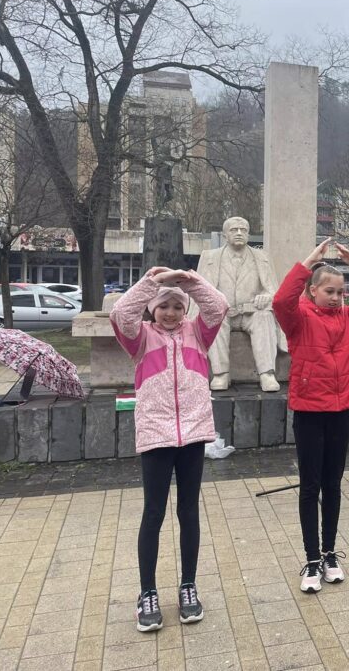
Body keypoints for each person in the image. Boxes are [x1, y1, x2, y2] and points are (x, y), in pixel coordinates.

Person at [110, 266, 228, 632]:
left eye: (178, 306)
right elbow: (121, 313)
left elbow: (218, 307)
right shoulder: (140, 338)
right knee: (153, 513)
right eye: (164, 306)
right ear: (152, 308)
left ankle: (188, 586)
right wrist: (151, 283)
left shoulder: (198, 334)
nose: (171, 313)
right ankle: (147, 592)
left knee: (188, 512)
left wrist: (190, 281)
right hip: (156, 435)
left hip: (192, 434)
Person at [273, 238, 349, 593]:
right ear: (313, 291)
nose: (337, 298)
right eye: (330, 291)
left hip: (340, 412)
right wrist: (308, 262)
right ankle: (311, 559)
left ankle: (329, 554)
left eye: (341, 292)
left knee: (333, 484)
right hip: (310, 412)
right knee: (310, 486)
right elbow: (280, 301)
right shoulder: (298, 318)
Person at [196, 216, 286, 391]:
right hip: (223, 312)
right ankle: (221, 373)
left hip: (251, 312)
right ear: (225, 235)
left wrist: (266, 296)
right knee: (213, 318)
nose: (239, 233)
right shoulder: (209, 257)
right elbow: (200, 290)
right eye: (234, 230)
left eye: (243, 230)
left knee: (264, 317)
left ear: (248, 234)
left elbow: (272, 290)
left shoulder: (262, 257)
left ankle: (267, 373)